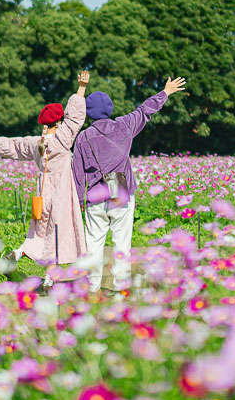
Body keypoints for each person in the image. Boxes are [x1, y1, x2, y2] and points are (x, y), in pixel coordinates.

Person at [72, 76, 186, 292]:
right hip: (121, 195)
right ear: (110, 109)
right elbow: (144, 110)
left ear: (89, 113)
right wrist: (166, 92)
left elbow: (77, 175)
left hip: (95, 199)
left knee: (93, 246)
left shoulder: (82, 138)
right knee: (121, 245)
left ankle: (92, 289)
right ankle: (120, 290)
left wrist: (79, 202)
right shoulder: (124, 126)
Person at [0, 71, 90, 266]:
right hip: (61, 194)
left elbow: (17, 145)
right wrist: (82, 86)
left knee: (39, 232)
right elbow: (74, 118)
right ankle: (50, 279)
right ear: (59, 122)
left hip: (41, 196)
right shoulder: (63, 140)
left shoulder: (37, 143)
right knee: (57, 234)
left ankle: (20, 251)